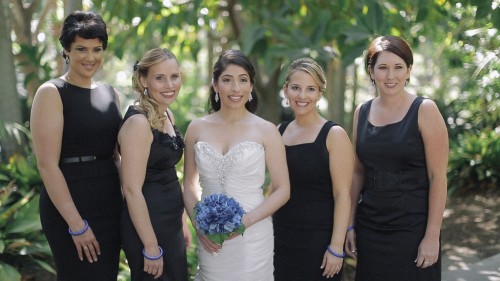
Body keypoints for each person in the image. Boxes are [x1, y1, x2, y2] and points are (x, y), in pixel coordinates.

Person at [344, 35, 448, 281]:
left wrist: (432, 236)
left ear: (409, 70)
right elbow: (357, 172)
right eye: (383, 68)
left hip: (413, 230)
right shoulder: (362, 112)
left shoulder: (425, 110)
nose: (390, 76)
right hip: (370, 228)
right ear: (371, 71)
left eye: (398, 67)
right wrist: (349, 224)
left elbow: (438, 177)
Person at [182, 49, 290, 281]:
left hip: (253, 235)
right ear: (215, 85)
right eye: (227, 80)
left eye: (243, 80)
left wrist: (245, 222)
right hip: (210, 237)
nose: (235, 88)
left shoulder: (267, 130)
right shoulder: (196, 128)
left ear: (251, 87)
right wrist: (199, 226)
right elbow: (189, 185)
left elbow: (282, 189)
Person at [30, 11, 123, 280]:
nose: (90, 57)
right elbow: (47, 165)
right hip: (69, 206)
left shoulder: (111, 93)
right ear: (66, 51)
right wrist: (77, 225)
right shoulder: (51, 92)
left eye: (96, 49)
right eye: (81, 49)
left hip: (109, 203)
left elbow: (117, 157)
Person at [273, 57, 353, 280]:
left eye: (310, 89)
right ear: (285, 89)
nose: (302, 96)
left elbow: (343, 195)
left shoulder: (334, 135)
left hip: (318, 243)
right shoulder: (279, 132)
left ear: (320, 93)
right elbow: (274, 187)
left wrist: (336, 248)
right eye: (296, 88)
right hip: (281, 239)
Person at [119, 48, 190, 281]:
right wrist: (150, 246)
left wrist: (183, 222)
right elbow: (130, 190)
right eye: (160, 78)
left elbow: (169, 174)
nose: (170, 84)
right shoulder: (138, 123)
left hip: (171, 223)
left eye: (174, 76)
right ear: (143, 80)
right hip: (148, 225)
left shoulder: (167, 114)